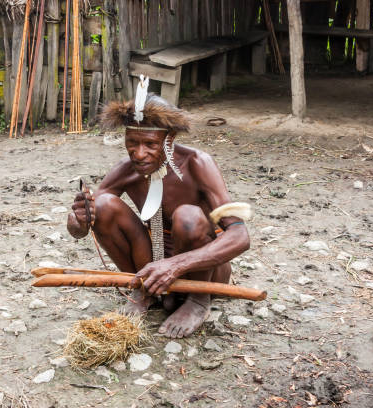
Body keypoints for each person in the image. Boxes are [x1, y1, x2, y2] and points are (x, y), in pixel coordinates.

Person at [66, 86, 251, 339]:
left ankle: (197, 301)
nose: (139, 154)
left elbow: (240, 237)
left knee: (189, 216)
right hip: (151, 268)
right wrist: (77, 221)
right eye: (132, 143)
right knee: (102, 203)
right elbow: (84, 226)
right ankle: (144, 290)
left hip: (204, 272)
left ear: (170, 139)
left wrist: (175, 265)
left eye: (150, 144)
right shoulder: (126, 169)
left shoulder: (198, 163)